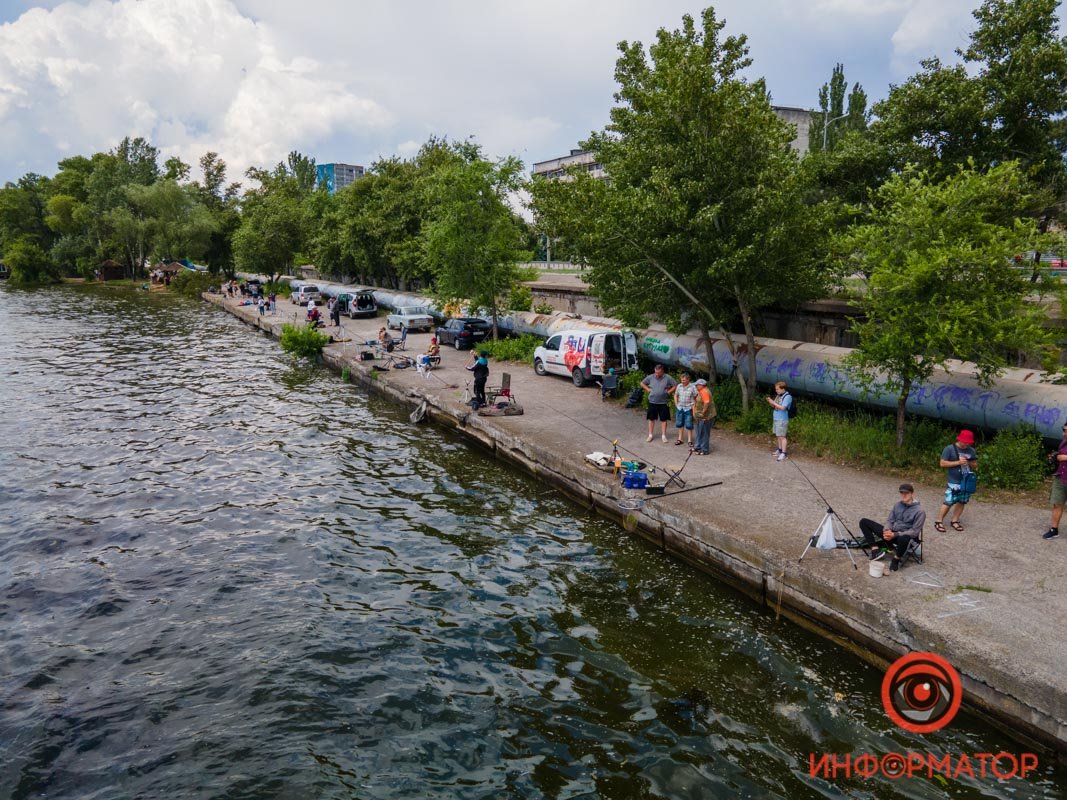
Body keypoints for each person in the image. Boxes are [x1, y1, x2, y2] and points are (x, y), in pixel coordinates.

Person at [860, 483, 926, 572]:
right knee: (864, 522)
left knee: (905, 538)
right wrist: (887, 531)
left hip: (904, 537)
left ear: (912, 494)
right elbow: (890, 520)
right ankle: (875, 549)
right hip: (892, 533)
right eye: (902, 492)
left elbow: (915, 532)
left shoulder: (920, 511)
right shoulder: (897, 505)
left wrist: (895, 534)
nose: (904, 495)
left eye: (906, 493)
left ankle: (896, 558)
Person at [934, 430, 978, 532]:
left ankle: (955, 520)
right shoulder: (949, 449)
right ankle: (939, 521)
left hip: (966, 480)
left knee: (962, 501)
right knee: (949, 501)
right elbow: (942, 464)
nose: (966, 444)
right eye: (964, 442)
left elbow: (975, 465)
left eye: (968, 443)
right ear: (960, 439)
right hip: (953, 481)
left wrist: (970, 463)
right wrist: (958, 462)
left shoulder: (971, 451)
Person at [640, 364, 677, 443]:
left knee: (663, 419)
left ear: (662, 371)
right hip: (652, 401)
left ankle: (663, 435)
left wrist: (669, 392)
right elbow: (642, 383)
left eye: (658, 373)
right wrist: (647, 389)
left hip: (663, 402)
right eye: (655, 372)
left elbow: (675, 385)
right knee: (651, 419)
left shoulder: (667, 377)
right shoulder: (650, 377)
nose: (656, 374)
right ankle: (650, 435)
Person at [1043, 424, 1067, 539]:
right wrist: (1055, 457)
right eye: (1063, 430)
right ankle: (1054, 529)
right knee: (1057, 503)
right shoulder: (1064, 442)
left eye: (1066, 431)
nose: (1064, 433)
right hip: (1061, 476)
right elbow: (1060, 456)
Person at [766, 381, 792, 461]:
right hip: (776, 418)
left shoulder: (787, 397)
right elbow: (775, 406)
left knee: (782, 436)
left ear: (782, 389)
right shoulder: (778, 395)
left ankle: (784, 453)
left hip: (782, 419)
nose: (776, 390)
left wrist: (773, 402)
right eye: (776, 389)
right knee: (778, 435)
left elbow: (783, 408)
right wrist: (770, 402)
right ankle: (780, 450)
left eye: (777, 389)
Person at [692, 378, 716, 455]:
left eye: (697, 385)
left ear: (701, 385)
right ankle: (698, 446)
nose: (696, 386)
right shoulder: (701, 391)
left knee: (704, 433)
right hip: (700, 416)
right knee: (699, 431)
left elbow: (707, 402)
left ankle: (704, 449)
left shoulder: (705, 391)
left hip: (706, 417)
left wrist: (703, 412)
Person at [673, 371, 697, 447]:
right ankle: (680, 439)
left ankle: (690, 440)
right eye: (681, 380)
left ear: (688, 379)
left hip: (689, 408)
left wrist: (694, 404)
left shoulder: (692, 387)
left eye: (683, 380)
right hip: (680, 407)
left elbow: (696, 396)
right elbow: (675, 395)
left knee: (689, 424)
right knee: (680, 423)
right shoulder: (679, 386)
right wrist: (676, 404)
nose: (682, 381)